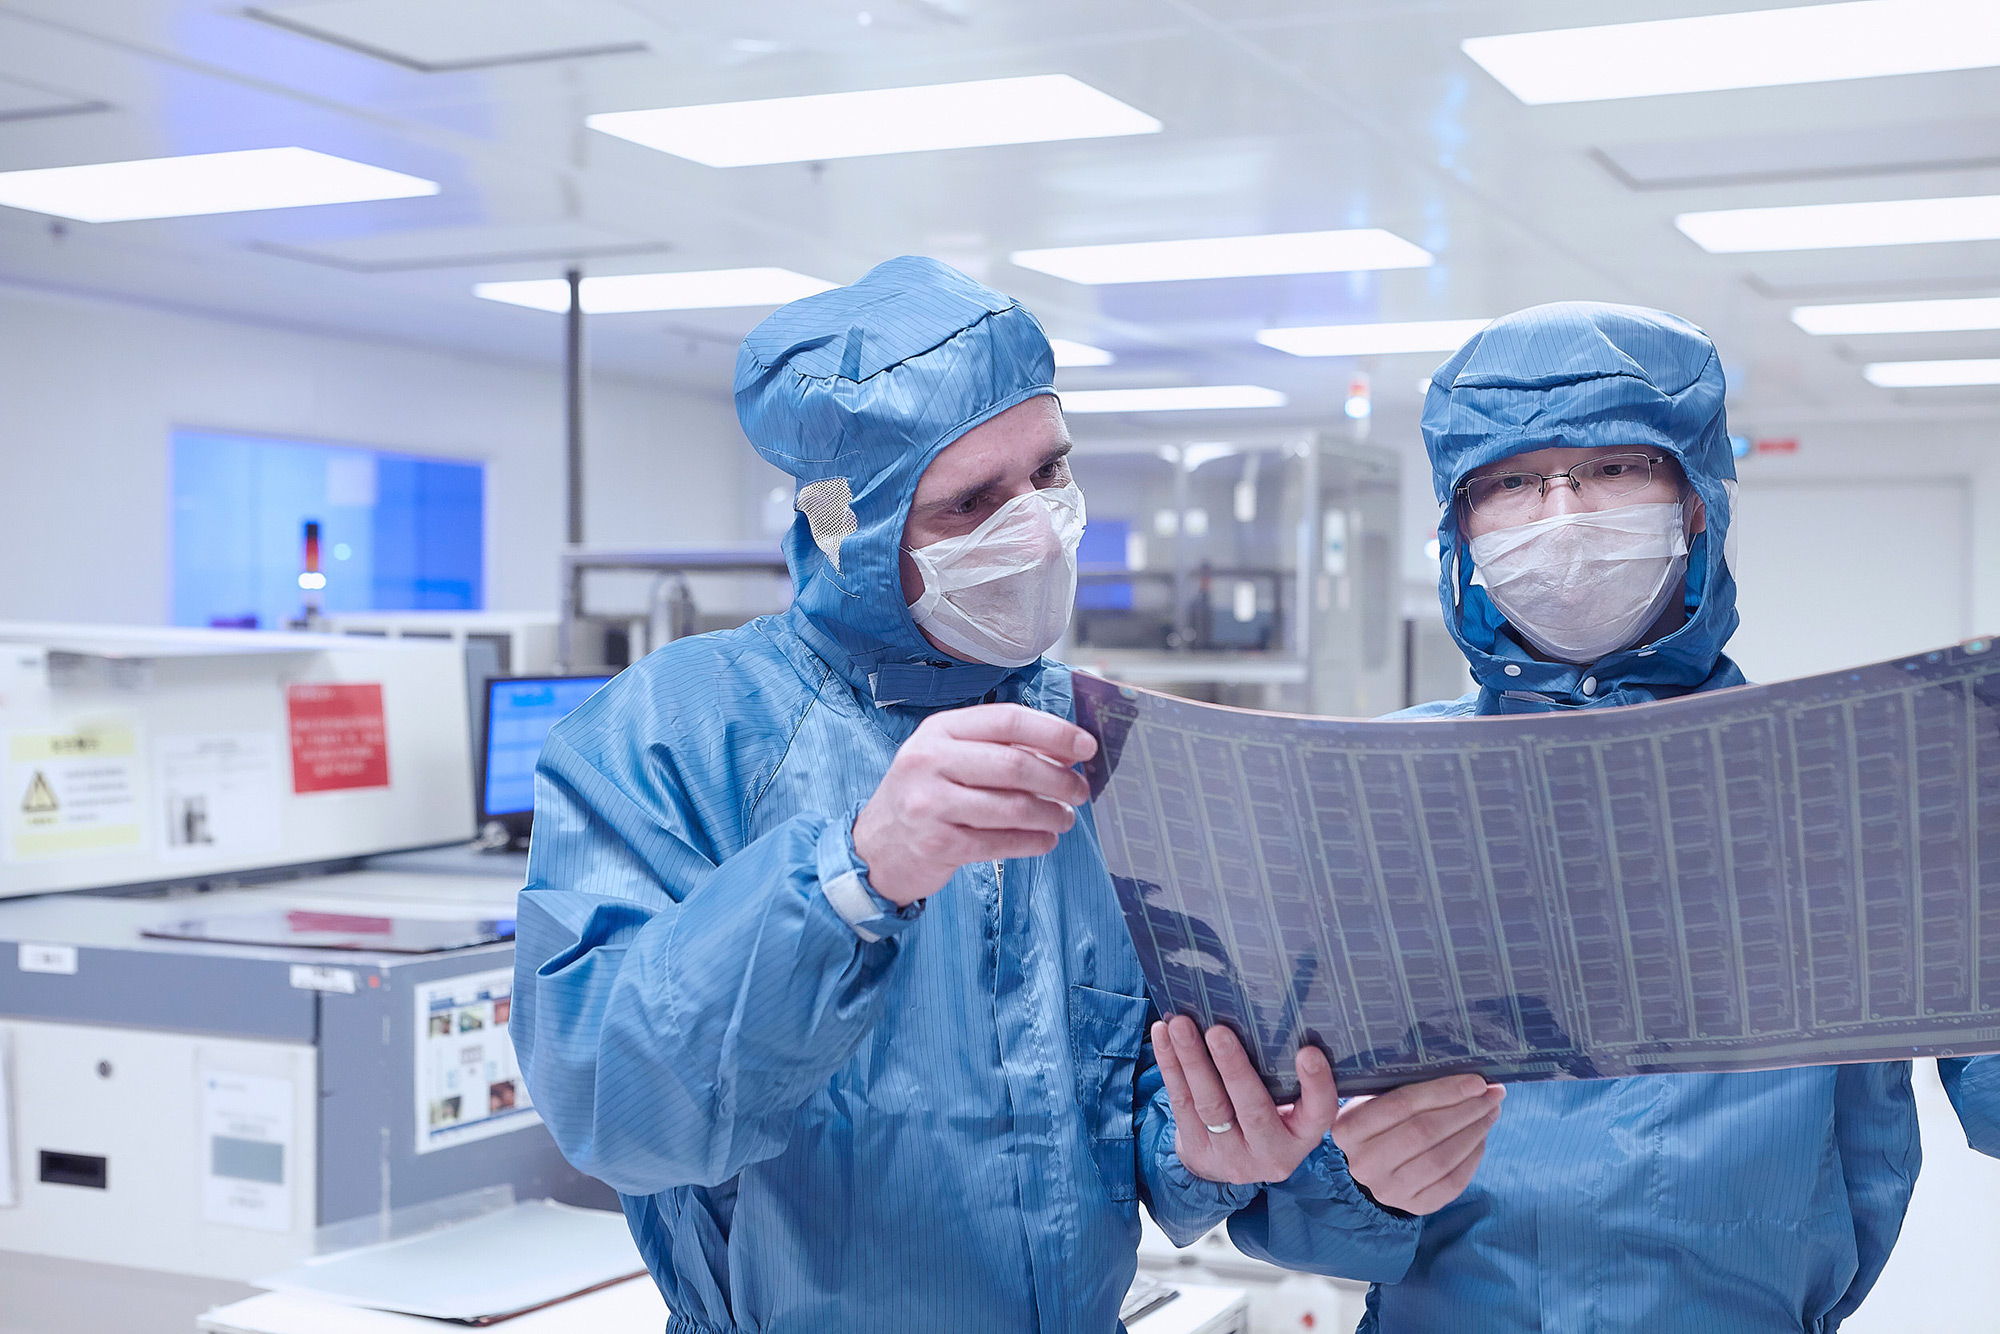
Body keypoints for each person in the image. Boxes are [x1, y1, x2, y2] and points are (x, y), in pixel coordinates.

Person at [509, 256, 1498, 1334]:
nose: (1032, 527)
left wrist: (1209, 1147)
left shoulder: (1106, 744)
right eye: (972, 499)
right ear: (855, 531)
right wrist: (852, 872)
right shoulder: (673, 732)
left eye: (1048, 472)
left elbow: (1133, 1110)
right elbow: (616, 1106)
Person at [1180, 301, 2000, 1331]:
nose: (1560, 513)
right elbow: (1279, 1199)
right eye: (1510, 482)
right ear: (1460, 528)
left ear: (1694, 499)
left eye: (1614, 468)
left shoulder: (1851, 787)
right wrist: (1362, 1182)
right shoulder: (1373, 796)